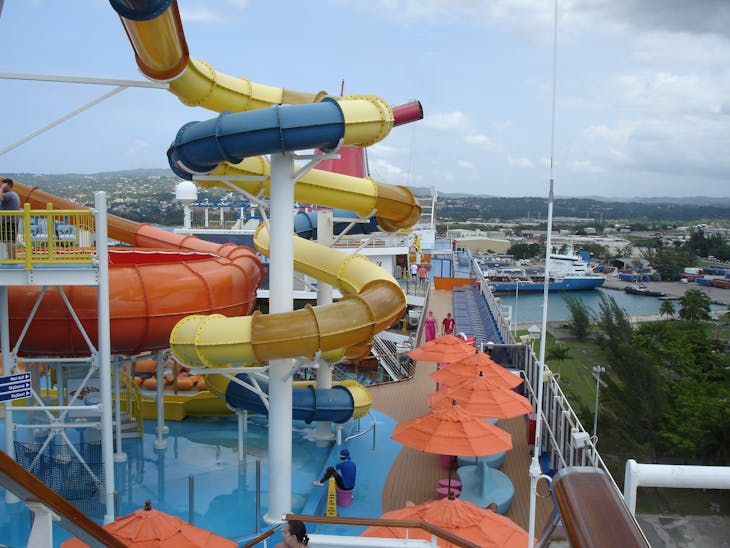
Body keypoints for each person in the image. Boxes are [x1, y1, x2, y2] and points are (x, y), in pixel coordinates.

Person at [0, 178, 21, 259]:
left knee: (9, 241)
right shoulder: (12, 195)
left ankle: (12, 260)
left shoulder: (10, 194)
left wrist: (2, 188)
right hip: (10, 222)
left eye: (4, 184)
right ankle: (11, 259)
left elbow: (0, 198)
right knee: (9, 241)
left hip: (8, 222)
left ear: (8, 185)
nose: (2, 186)